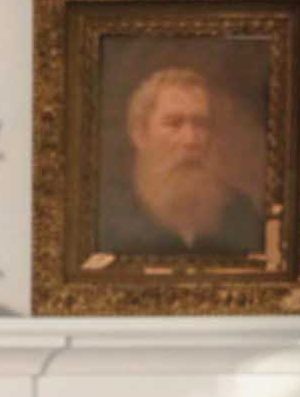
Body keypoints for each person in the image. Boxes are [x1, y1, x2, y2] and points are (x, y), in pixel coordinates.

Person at [101, 67, 264, 256]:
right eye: (174, 123)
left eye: (201, 124)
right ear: (140, 134)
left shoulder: (240, 210)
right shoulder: (109, 212)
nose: (191, 140)